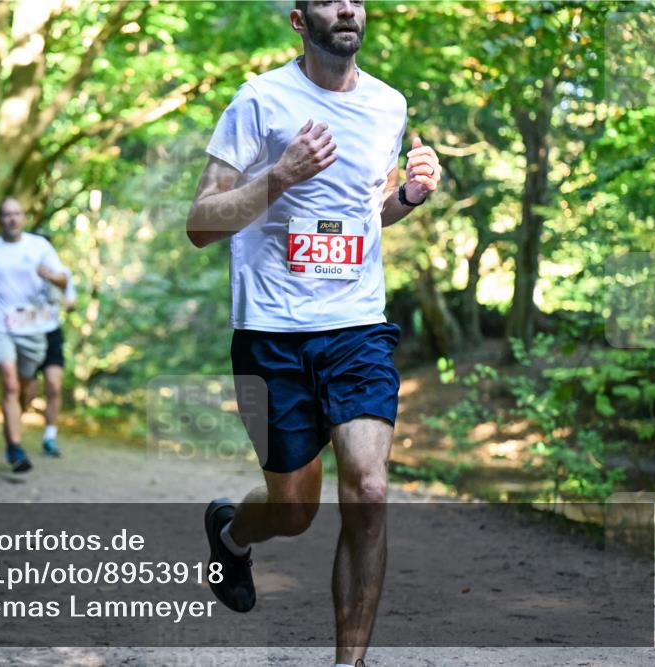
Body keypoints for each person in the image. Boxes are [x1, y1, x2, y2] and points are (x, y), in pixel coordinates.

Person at [186, 2, 442, 666]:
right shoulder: (259, 101)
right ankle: (231, 530)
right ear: (300, 20)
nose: (348, 7)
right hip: (272, 333)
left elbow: (363, 215)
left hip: (356, 327)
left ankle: (347, 662)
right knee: (293, 509)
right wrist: (278, 176)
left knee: (369, 486)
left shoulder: (389, 105)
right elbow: (202, 221)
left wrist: (408, 197)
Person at [0, 197, 69, 473]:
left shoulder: (39, 246)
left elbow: (64, 280)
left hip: (32, 328)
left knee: (26, 389)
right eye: (6, 215)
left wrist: (49, 275)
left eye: (16, 214)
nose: (11, 219)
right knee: (10, 385)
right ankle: (15, 448)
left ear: (24, 217)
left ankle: (15, 420)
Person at [22, 232, 77, 458]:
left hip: (52, 333)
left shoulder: (62, 273)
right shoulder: (23, 271)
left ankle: (50, 438)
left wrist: (66, 301)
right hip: (27, 332)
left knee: (54, 386)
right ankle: (17, 427)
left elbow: (70, 301)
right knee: (29, 392)